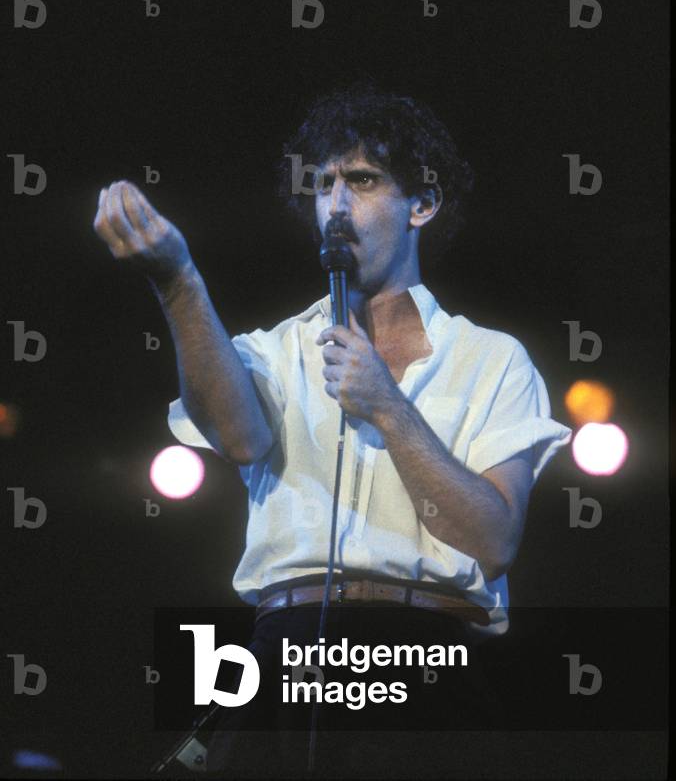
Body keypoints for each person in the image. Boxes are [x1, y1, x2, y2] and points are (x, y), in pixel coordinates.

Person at [93, 83, 571, 778]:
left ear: (422, 205)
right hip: (282, 653)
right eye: (323, 184)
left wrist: (388, 405)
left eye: (364, 180)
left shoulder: (490, 358)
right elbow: (239, 439)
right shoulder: (274, 350)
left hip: (424, 662)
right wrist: (177, 279)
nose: (337, 204)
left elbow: (494, 540)